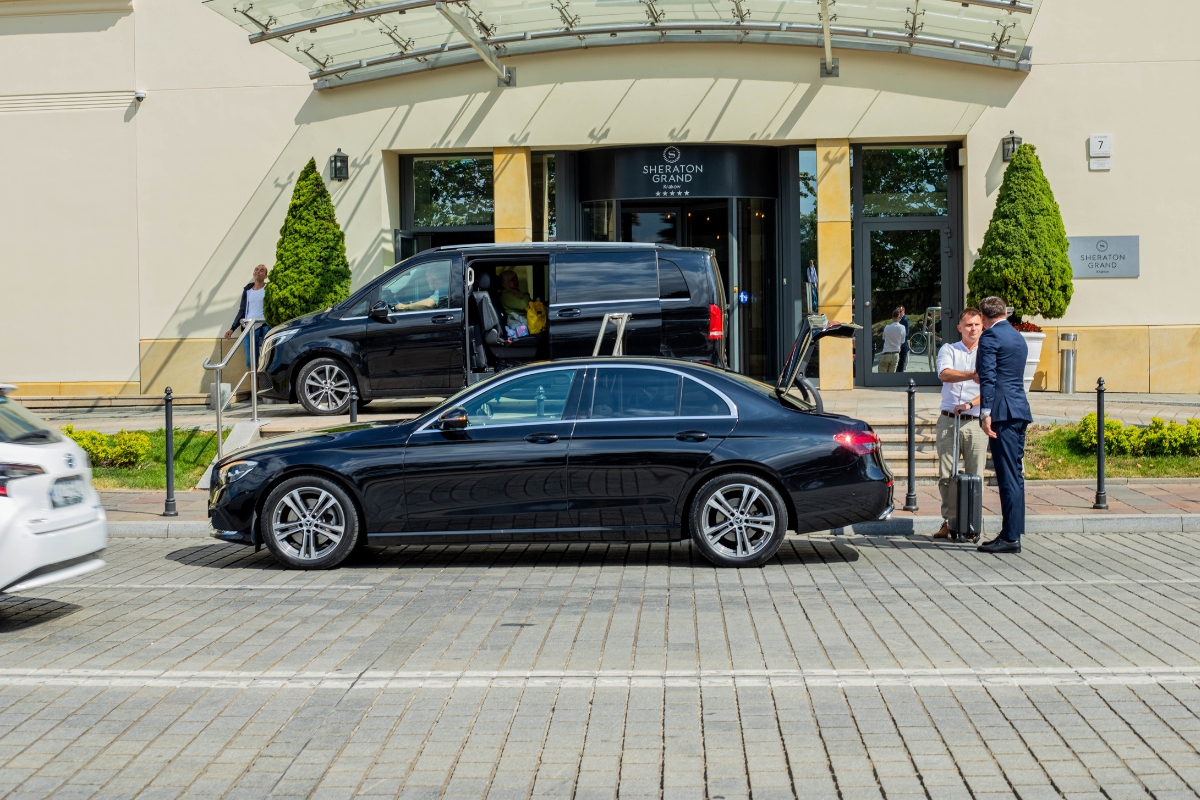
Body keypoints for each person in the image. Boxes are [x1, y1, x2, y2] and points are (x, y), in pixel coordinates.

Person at [975, 295, 1032, 554]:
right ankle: (1013, 532)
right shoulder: (1017, 336)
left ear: (984, 317)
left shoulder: (990, 337)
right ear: (1004, 312)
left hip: (1002, 412)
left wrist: (985, 412)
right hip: (1019, 409)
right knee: (1015, 474)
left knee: (1007, 475)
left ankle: (1010, 537)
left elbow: (988, 375)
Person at [933, 308, 987, 539]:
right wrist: (972, 374)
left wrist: (969, 403)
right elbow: (944, 374)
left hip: (975, 421)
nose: (973, 328)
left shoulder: (988, 352)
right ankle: (949, 521)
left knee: (975, 475)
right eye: (968, 325)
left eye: (976, 324)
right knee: (946, 475)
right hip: (948, 420)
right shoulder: (949, 349)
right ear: (960, 328)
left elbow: (991, 389)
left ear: (982, 326)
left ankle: (973, 525)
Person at [225, 264, 269, 367]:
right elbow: (242, 310)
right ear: (254, 273)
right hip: (248, 328)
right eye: (256, 269)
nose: (258, 271)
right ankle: (253, 384)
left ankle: (263, 383)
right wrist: (232, 328)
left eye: (261, 270)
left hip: (264, 328)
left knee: (265, 362)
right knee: (250, 362)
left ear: (266, 276)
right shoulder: (248, 290)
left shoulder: (268, 289)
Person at [878, 308, 906, 372]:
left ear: (892, 317)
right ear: (899, 317)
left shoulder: (887, 327)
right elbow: (902, 341)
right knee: (891, 377)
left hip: (886, 353)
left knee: (881, 377)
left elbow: (884, 338)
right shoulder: (902, 328)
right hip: (895, 354)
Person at [897, 305, 912, 372]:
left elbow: (907, 333)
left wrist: (900, 341)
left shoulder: (905, 320)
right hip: (896, 345)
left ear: (904, 311)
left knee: (901, 364)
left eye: (900, 311)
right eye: (897, 311)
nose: (899, 313)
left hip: (903, 345)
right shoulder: (896, 319)